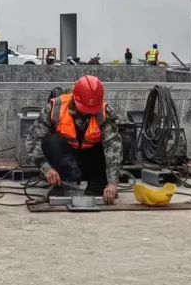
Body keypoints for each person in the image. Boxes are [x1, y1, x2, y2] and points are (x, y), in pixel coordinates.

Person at [24, 75, 122, 204]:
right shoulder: (55, 108)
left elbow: (113, 149)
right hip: (65, 163)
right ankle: (63, 185)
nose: (88, 113)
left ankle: (97, 186)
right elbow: (32, 141)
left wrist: (112, 183)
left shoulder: (104, 113)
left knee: (113, 144)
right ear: (74, 97)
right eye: (85, 108)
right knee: (53, 141)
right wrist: (46, 168)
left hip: (90, 162)